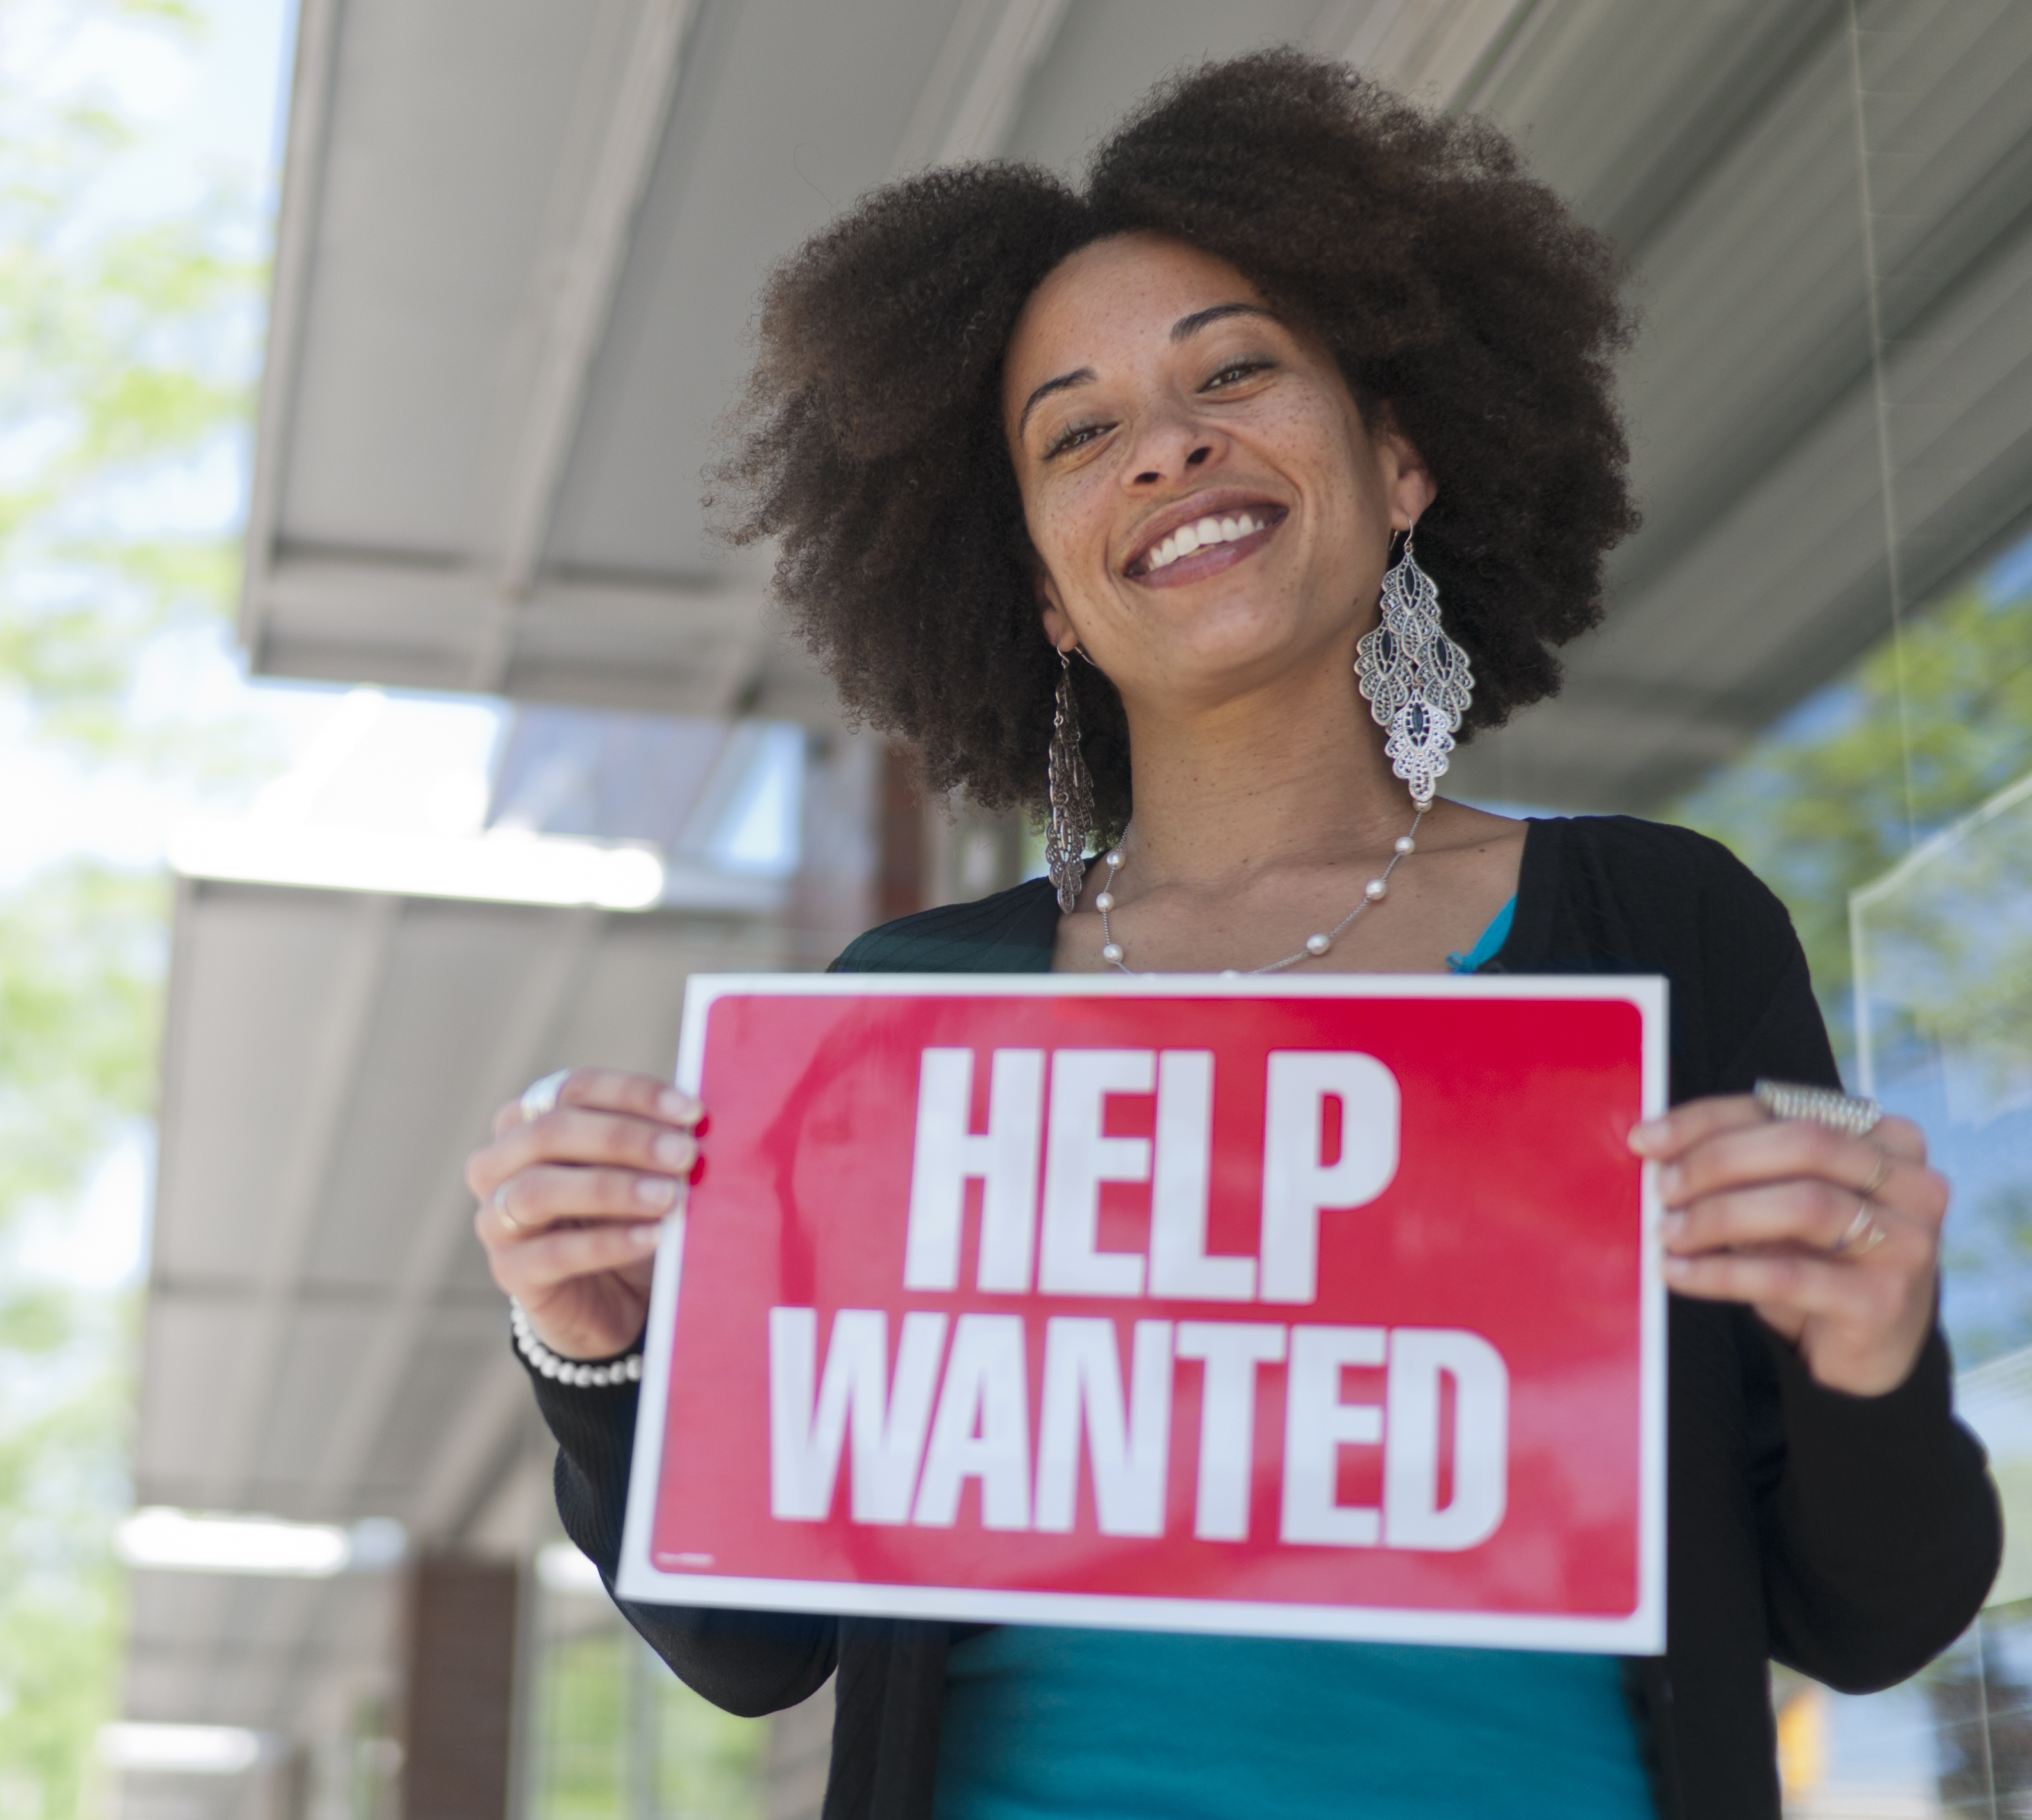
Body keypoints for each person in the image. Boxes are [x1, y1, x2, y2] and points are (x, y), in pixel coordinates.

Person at [463, 49, 1996, 1820]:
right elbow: (760, 1645)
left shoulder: (1659, 934)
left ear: (1400, 460)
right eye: (1080, 431)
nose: (1170, 445)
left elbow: (1870, 1618)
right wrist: (594, 1344)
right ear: (1039, 589)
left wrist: (1871, 1354)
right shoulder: (908, 1022)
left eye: (1237, 370)